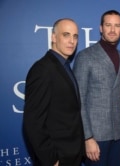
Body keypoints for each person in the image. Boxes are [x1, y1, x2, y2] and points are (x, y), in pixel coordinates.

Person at [23, 18, 85, 166]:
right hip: (58, 157)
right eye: (66, 35)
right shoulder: (42, 69)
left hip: (72, 153)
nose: (71, 41)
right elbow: (33, 122)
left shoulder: (64, 65)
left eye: (75, 36)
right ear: (53, 37)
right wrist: (52, 160)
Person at [73, 10, 120, 166]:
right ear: (100, 28)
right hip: (96, 136)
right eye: (108, 25)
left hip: (118, 134)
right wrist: (87, 138)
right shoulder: (85, 56)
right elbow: (79, 100)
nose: (112, 29)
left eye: (117, 25)